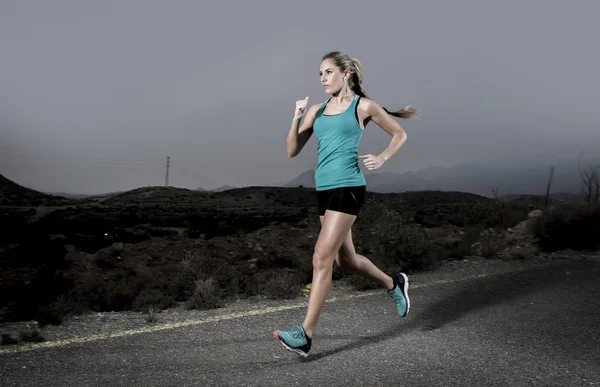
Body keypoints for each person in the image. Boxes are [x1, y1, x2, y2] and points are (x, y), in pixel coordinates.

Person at [272, 51, 418, 358]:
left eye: (328, 72)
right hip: (324, 191)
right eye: (320, 74)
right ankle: (394, 283)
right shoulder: (317, 109)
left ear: (346, 72)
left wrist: (382, 157)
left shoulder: (362, 106)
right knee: (345, 261)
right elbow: (291, 150)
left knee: (320, 257)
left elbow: (399, 133)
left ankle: (305, 335)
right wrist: (297, 115)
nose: (323, 78)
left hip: (348, 187)